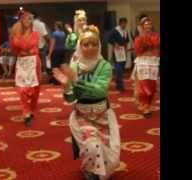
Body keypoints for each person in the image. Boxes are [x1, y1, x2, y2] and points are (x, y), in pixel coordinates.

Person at [53, 25, 120, 180]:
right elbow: (71, 98)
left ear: (99, 46)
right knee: (92, 147)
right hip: (82, 117)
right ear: (80, 46)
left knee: (112, 161)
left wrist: (76, 81)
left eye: (94, 44)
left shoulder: (105, 66)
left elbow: (100, 91)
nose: (90, 48)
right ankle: (91, 172)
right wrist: (67, 87)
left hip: (103, 116)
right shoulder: (75, 66)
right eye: (86, 44)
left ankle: (89, 169)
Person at [10, 11, 41, 127]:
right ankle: (26, 112)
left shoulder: (36, 34)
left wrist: (22, 48)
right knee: (22, 90)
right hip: (22, 63)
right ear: (21, 21)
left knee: (35, 90)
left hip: (34, 63)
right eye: (24, 19)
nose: (27, 21)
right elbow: (14, 47)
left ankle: (31, 109)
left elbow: (28, 45)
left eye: (29, 19)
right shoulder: (16, 34)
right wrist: (22, 48)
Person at [132, 17, 160, 118]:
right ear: (142, 26)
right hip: (143, 63)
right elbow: (139, 51)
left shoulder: (156, 36)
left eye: (149, 24)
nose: (148, 26)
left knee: (152, 87)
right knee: (144, 86)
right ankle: (145, 107)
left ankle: (148, 104)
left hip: (153, 63)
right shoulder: (139, 38)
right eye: (146, 24)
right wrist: (146, 42)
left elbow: (157, 48)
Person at [108, 17, 130, 92]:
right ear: (120, 23)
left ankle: (118, 83)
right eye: (123, 23)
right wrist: (114, 43)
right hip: (117, 51)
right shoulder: (115, 30)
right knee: (119, 67)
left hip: (123, 50)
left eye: (125, 23)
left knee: (122, 66)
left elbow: (127, 40)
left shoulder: (125, 31)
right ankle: (120, 85)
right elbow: (109, 38)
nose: (124, 25)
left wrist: (126, 47)